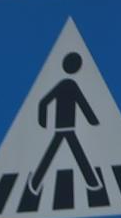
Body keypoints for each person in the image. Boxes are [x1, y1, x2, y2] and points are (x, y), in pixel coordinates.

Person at [27, 51, 103, 196]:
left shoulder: (63, 85)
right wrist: (93, 120)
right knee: (74, 155)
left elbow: (43, 102)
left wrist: (43, 121)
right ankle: (92, 183)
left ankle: (35, 184)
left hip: (62, 127)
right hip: (67, 127)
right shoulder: (70, 85)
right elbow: (83, 104)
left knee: (64, 154)